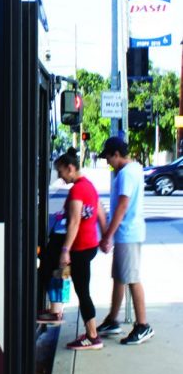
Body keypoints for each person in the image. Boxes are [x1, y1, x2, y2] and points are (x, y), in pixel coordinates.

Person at [96, 136, 154, 345]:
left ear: (116, 154)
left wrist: (108, 234)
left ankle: (142, 325)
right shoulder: (134, 169)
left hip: (127, 232)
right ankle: (112, 319)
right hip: (128, 232)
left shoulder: (126, 175)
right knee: (120, 277)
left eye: (108, 158)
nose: (107, 162)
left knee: (131, 278)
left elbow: (122, 205)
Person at [51, 150, 107, 350]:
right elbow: (100, 212)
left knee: (83, 291)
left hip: (80, 247)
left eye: (61, 172)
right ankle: (57, 310)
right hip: (89, 244)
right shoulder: (89, 186)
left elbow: (74, 222)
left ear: (70, 168)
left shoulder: (77, 191)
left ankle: (92, 336)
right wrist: (105, 236)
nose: (60, 176)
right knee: (76, 284)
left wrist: (66, 250)